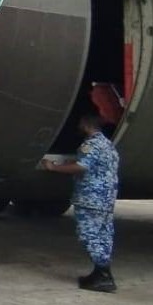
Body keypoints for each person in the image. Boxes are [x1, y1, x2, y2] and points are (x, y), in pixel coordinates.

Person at [41, 114, 119, 293]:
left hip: (90, 198)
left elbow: (82, 167)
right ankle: (100, 272)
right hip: (106, 198)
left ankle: (103, 277)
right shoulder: (108, 144)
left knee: (88, 234)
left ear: (86, 123)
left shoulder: (90, 144)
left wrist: (54, 167)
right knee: (104, 234)